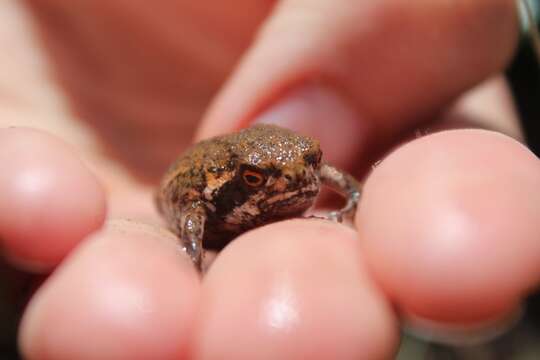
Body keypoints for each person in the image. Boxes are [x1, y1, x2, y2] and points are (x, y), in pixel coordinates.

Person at [1, 0, 538, 358]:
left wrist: (352, 201)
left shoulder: (300, 167)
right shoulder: (211, 186)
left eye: (309, 163)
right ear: (243, 179)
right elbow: (187, 212)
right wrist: (192, 259)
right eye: (262, 179)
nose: (298, 180)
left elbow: (334, 179)